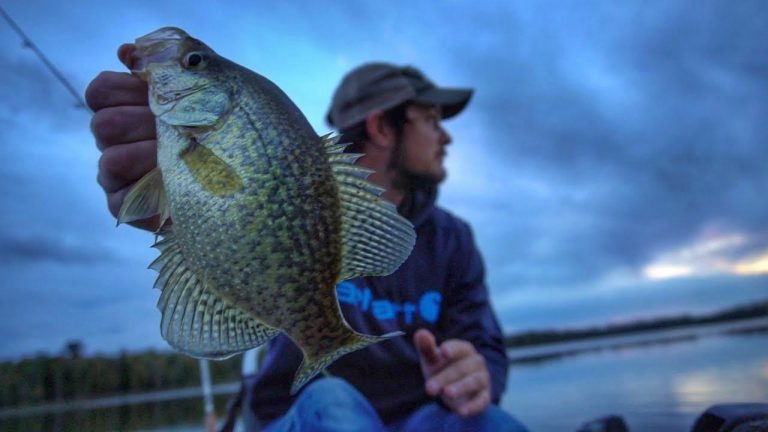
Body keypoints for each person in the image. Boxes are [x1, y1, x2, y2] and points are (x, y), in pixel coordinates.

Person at [86, 44, 529, 432]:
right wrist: (180, 206)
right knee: (333, 403)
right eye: (430, 119)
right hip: (300, 410)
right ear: (382, 128)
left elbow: (484, 342)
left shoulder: (451, 239)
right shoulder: (285, 187)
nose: (445, 135)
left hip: (424, 414)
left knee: (490, 422)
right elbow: (232, 207)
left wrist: (479, 374)